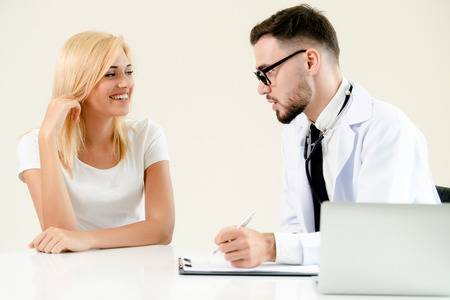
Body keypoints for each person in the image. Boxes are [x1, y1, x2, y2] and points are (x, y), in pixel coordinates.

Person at [214, 4, 440, 268]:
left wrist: (271, 246)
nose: (261, 89)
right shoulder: (296, 132)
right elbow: (296, 233)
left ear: (310, 61)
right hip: (331, 282)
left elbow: (374, 241)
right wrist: (258, 248)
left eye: (268, 72)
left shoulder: (388, 129)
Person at [18, 31, 175, 254]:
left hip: (136, 272)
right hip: (70, 276)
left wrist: (86, 239)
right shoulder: (36, 143)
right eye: (110, 75)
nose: (125, 83)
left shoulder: (147, 135)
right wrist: (48, 138)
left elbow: (162, 230)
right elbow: (58, 236)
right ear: (79, 81)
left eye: (128, 72)